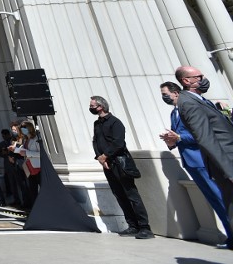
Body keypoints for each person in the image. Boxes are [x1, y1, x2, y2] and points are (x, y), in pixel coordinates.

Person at [159, 80, 232, 248]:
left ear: (176, 92)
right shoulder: (174, 113)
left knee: (221, 199)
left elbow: (200, 135)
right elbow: (178, 136)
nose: (164, 98)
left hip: (201, 161)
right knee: (214, 200)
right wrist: (171, 141)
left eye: (165, 94)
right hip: (191, 163)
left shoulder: (190, 109)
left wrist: (179, 138)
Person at [89, 95, 152, 239]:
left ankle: (144, 227)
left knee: (131, 195)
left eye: (93, 105)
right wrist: (100, 157)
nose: (91, 108)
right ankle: (132, 226)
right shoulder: (97, 124)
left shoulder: (115, 122)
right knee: (119, 195)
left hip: (120, 162)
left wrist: (106, 155)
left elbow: (119, 143)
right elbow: (96, 141)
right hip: (107, 164)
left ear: (101, 106)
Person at [9, 120, 41, 209]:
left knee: (40, 189)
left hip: (37, 168)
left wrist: (27, 153)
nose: (22, 131)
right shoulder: (26, 140)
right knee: (32, 191)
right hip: (29, 169)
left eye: (24, 129)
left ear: (29, 129)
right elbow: (23, 150)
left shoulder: (36, 139)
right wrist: (14, 150)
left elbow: (41, 154)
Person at [0, 128, 26, 207]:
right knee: (12, 184)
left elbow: (18, 151)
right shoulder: (2, 144)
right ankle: (16, 200)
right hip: (8, 166)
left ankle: (25, 200)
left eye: (5, 135)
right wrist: (6, 153)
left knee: (21, 184)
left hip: (17, 164)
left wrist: (10, 152)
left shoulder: (14, 141)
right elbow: (0, 153)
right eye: (3, 136)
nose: (4, 137)